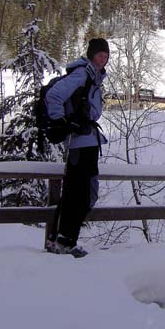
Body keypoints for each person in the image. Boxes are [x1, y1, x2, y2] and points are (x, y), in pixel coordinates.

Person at [45, 38, 109, 257]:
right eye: (100, 54)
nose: (104, 58)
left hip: (88, 140)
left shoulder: (93, 76)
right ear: (91, 55)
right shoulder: (82, 74)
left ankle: (59, 239)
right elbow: (53, 96)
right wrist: (61, 122)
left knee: (81, 192)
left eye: (106, 55)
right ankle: (64, 241)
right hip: (80, 143)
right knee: (78, 194)